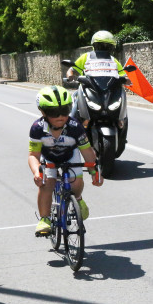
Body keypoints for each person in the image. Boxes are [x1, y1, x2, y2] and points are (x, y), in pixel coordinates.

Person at [28, 86, 104, 236]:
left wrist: (94, 171)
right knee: (46, 184)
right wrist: (37, 172)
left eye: (65, 110)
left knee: (76, 183)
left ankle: (78, 199)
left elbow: (87, 152)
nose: (60, 116)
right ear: (43, 112)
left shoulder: (75, 127)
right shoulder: (37, 128)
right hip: (48, 158)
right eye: (53, 112)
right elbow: (33, 155)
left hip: (71, 154)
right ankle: (45, 219)